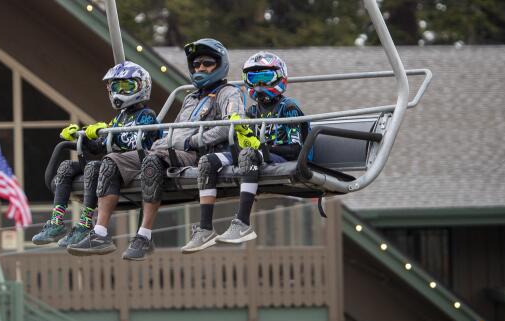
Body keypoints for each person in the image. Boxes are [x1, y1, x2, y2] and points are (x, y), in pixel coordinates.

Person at [70, 38, 242, 260]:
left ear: (220, 64)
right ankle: (100, 233)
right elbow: (177, 129)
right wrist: (163, 142)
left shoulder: (228, 93)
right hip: (169, 149)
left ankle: (144, 236)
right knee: (111, 160)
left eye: (207, 63)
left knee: (152, 161)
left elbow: (231, 125)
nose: (200, 68)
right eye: (196, 64)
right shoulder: (190, 98)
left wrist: (193, 141)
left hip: (197, 154)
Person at [182, 51, 309, 250]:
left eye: (265, 78)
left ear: (279, 77)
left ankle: (243, 223)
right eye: (253, 79)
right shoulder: (251, 112)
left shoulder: (288, 108)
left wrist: (260, 148)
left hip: (285, 157)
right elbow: (245, 142)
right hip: (258, 155)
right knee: (208, 161)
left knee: (248, 154)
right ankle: (205, 228)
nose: (258, 85)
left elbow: (294, 149)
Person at [32, 61, 161, 248]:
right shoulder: (119, 117)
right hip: (112, 164)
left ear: (142, 86)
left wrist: (107, 132)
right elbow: (98, 148)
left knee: (93, 166)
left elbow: (132, 142)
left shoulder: (147, 115)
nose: (120, 92)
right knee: (66, 167)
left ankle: (85, 223)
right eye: (117, 87)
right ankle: (56, 221)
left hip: (135, 165)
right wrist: (82, 136)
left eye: (127, 86)